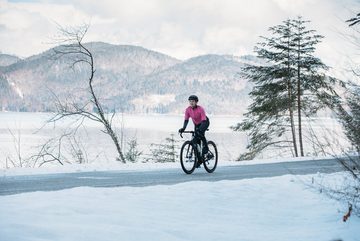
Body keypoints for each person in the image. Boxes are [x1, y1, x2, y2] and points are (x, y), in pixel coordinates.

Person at [178, 95, 212, 167]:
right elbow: (186, 120)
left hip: (204, 122)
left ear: (196, 102)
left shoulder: (200, 109)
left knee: (200, 134)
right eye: (190, 101)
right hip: (196, 124)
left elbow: (203, 120)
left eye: (193, 101)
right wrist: (183, 128)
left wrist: (200, 130)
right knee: (195, 141)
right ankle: (199, 160)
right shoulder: (188, 110)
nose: (191, 103)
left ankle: (206, 148)